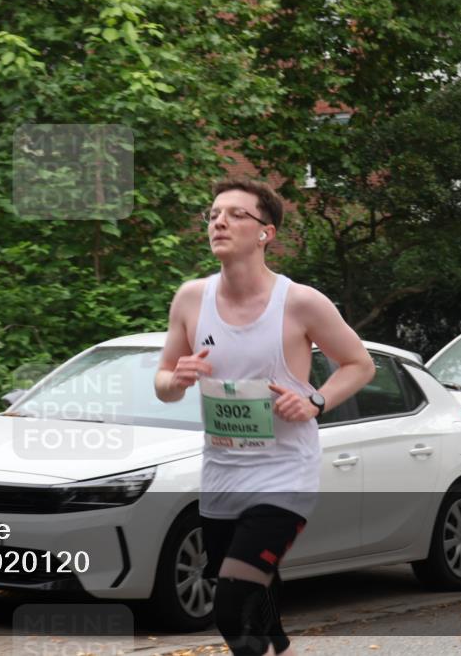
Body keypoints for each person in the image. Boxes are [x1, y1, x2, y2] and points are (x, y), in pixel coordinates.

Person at [154, 176, 375, 656]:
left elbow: (360, 364)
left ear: (265, 233)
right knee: (256, 594)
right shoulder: (190, 298)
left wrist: (315, 402)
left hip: (284, 475)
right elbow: (164, 383)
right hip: (222, 473)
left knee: (231, 605)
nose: (219, 222)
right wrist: (177, 378)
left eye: (236, 214)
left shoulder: (300, 302)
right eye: (214, 214)